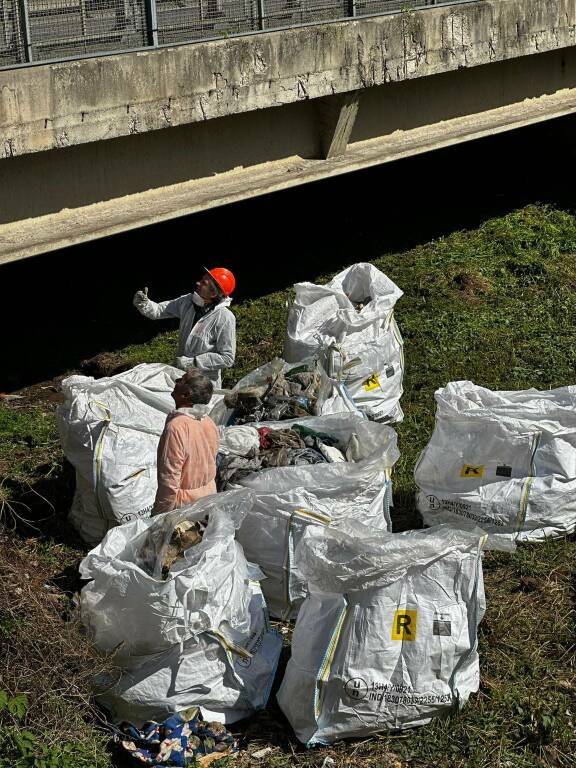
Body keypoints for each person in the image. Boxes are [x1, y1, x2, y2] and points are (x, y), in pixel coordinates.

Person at [133, 267, 236, 388]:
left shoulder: (224, 318)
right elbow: (159, 311)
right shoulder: (188, 301)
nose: (198, 283)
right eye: (201, 280)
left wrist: (193, 362)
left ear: (213, 293)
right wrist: (144, 304)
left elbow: (227, 357)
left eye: (204, 283)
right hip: (179, 376)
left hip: (203, 385)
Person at [153, 368, 219, 515]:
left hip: (184, 508)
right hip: (208, 501)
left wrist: (158, 516)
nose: (176, 382)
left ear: (186, 394)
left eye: (181, 380)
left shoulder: (176, 428)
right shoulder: (208, 422)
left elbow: (169, 481)